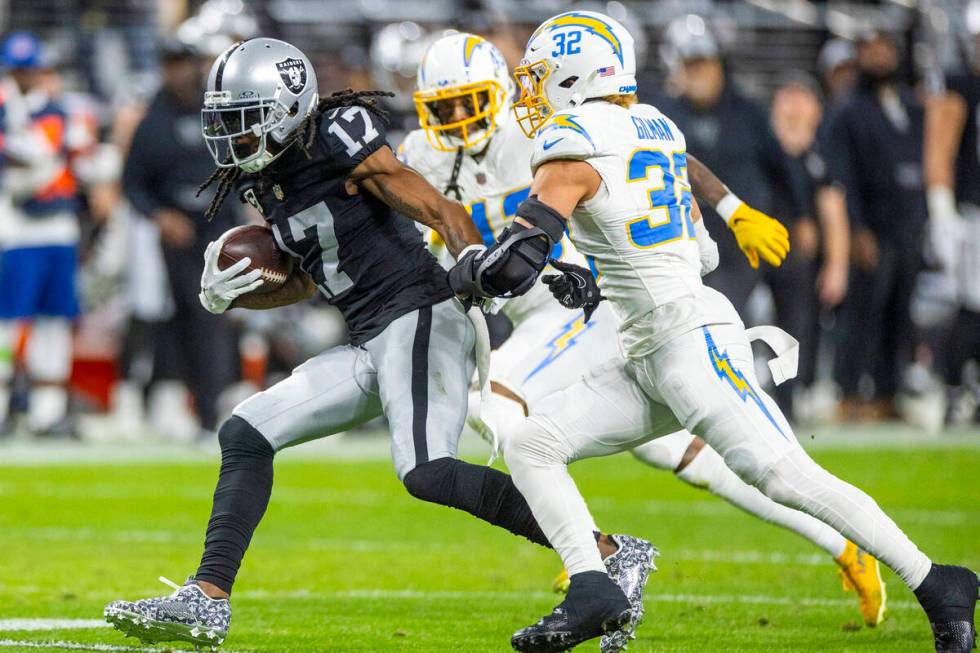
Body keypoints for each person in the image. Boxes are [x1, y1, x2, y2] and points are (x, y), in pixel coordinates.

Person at [447, 11, 978, 652]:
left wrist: (473, 267)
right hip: (649, 346)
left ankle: (937, 580)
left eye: (540, 78)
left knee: (782, 474)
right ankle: (594, 584)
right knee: (533, 443)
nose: (531, 92)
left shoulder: (573, 138)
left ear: (575, 75)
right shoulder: (656, 127)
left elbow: (517, 260)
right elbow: (704, 254)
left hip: (686, 341)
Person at [103, 37, 653, 650]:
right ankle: (207, 600)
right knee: (246, 432)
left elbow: (439, 207)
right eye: (226, 122)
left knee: (426, 471)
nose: (233, 136)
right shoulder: (263, 180)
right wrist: (226, 295)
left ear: (286, 108)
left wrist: (472, 256)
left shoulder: (338, 134)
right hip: (369, 335)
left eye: (245, 119)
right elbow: (309, 279)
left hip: (422, 312)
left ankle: (607, 554)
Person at [650, 15, 810, 319]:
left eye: (704, 62)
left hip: (740, 234)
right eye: (691, 64)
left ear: (719, 63)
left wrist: (801, 217)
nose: (699, 72)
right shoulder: (661, 114)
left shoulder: (749, 113)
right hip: (680, 237)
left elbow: (782, 168)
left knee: (724, 309)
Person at [122, 39, 241, 436]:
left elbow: (244, 166)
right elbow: (133, 183)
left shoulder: (220, 112)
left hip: (222, 229)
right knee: (188, 316)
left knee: (223, 318)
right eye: (169, 65)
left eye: (182, 64)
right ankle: (197, 409)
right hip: (178, 235)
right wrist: (159, 215)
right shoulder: (152, 123)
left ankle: (221, 403)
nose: (177, 73)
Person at [826, 31, 929, 421]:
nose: (880, 58)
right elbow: (842, 174)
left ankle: (888, 393)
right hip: (872, 225)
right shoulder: (848, 108)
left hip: (907, 223)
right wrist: (856, 227)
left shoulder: (907, 103)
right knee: (863, 310)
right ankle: (849, 392)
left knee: (899, 312)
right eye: (871, 51)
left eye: (885, 50)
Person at [0, 32, 83, 436]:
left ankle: (47, 413)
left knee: (54, 319)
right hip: (14, 228)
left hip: (53, 225)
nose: (24, 77)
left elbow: (41, 157)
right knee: (8, 319)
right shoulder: (10, 107)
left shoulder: (53, 109)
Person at [768, 76, 851, 415]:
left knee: (796, 325)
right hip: (747, 251)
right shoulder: (760, 147)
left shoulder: (820, 157)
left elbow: (834, 212)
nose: (794, 107)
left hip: (795, 258)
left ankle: (787, 398)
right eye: (788, 97)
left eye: (802, 98)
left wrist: (837, 266)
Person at [924, 2, 980, 426]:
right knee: (972, 303)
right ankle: (955, 386)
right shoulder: (960, 85)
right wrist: (942, 210)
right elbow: (939, 146)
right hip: (972, 212)